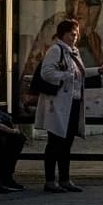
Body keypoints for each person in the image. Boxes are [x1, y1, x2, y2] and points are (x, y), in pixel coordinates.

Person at [36, 19, 87, 193]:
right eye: (72, 34)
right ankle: (50, 181)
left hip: (73, 102)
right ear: (63, 34)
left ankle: (65, 178)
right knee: (55, 141)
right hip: (57, 104)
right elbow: (47, 73)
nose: (76, 37)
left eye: (77, 34)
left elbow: (78, 73)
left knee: (67, 142)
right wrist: (66, 75)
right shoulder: (55, 50)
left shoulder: (73, 52)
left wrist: (98, 71)